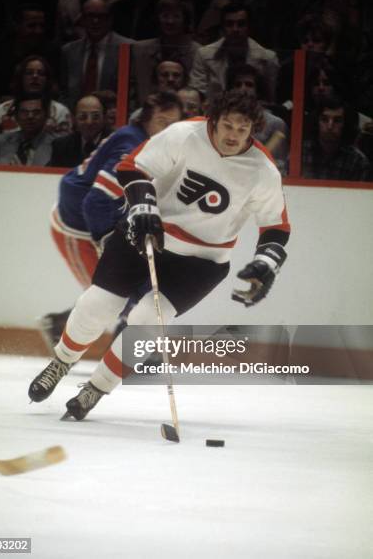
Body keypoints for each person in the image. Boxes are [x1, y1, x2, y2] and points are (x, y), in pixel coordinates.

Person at [29, 91, 290, 421]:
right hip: (147, 232)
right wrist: (143, 205)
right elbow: (132, 167)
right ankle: (61, 362)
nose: (233, 135)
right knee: (98, 304)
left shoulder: (263, 170)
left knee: (147, 322)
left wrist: (266, 265)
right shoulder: (183, 134)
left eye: (243, 128)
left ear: (253, 129)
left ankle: (96, 388)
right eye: (227, 125)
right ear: (213, 120)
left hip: (202, 263)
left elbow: (276, 226)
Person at [40, 91, 183, 344]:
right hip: (78, 228)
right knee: (111, 294)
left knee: (124, 291)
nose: (170, 129)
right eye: (163, 121)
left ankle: (115, 343)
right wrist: (108, 244)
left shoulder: (146, 141)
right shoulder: (133, 148)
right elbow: (96, 201)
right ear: (146, 120)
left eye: (175, 123)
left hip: (100, 218)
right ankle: (67, 330)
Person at [189, 3, 279, 104]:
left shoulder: (268, 58)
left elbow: (269, 100)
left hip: (253, 114)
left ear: (249, 27)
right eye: (229, 24)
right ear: (222, 28)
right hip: (213, 114)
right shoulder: (203, 54)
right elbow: (197, 94)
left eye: (241, 24)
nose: (235, 29)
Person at [60, 0, 132, 110]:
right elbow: (63, 92)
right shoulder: (69, 51)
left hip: (114, 116)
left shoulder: (128, 48)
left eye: (101, 16)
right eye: (90, 16)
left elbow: (134, 93)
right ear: (82, 19)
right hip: (76, 117)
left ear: (110, 19)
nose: (95, 21)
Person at [131, 0, 200, 106]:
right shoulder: (140, 50)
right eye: (165, 15)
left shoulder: (198, 52)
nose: (170, 21)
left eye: (176, 16)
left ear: (185, 20)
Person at [0, 55, 72, 138]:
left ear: (47, 80)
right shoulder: (3, 110)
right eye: (29, 73)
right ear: (21, 78)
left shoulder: (60, 111)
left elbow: (65, 148)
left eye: (41, 73)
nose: (35, 76)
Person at [302, 95, 371, 181]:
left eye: (337, 120)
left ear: (345, 125)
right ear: (317, 122)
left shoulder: (357, 162)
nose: (330, 126)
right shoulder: (300, 154)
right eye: (324, 119)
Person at [0, 93, 54, 166]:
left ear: (46, 116)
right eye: (24, 112)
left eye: (36, 112)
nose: (30, 116)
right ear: (16, 116)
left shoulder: (57, 146)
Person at [48, 93, 106, 168]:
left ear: (104, 118)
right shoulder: (61, 146)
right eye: (83, 117)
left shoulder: (115, 144)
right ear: (74, 119)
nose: (89, 122)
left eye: (95, 117)